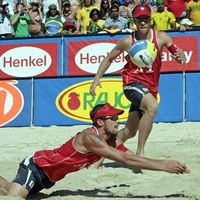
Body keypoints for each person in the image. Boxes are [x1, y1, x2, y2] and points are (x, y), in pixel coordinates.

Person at [0, 103, 189, 199]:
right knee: (14, 197)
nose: (118, 121)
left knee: (9, 189)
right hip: (36, 166)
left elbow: (131, 156)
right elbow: (126, 160)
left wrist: (162, 164)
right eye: (113, 117)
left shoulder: (110, 139)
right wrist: (164, 165)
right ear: (99, 121)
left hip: (49, 177)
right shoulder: (89, 137)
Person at [90, 5, 186, 157]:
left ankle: (101, 153)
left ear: (150, 20)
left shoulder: (161, 37)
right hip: (131, 83)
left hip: (150, 89)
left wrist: (182, 57)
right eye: (139, 19)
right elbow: (109, 58)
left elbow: (182, 58)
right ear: (134, 20)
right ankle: (140, 153)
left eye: (146, 19)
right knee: (152, 107)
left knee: (130, 132)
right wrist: (96, 79)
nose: (143, 22)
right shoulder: (128, 41)